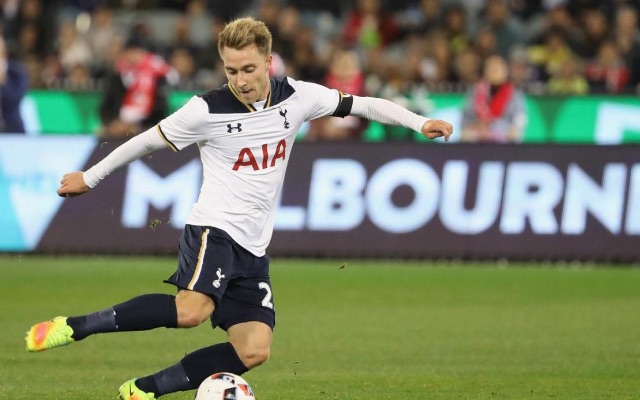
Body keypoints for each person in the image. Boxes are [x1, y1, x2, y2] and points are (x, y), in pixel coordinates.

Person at [25, 17, 453, 400]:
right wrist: (91, 177)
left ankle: (143, 389)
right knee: (192, 311)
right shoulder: (205, 110)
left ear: (268, 61)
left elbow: (364, 105)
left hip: (253, 246)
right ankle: (76, 326)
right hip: (214, 228)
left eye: (249, 69)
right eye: (232, 70)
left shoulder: (299, 98)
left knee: (253, 349)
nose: (241, 79)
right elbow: (146, 141)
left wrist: (420, 123)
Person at [98, 35, 173, 138]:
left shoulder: (157, 77)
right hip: (117, 126)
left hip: (144, 126)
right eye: (130, 52)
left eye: (137, 52)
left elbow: (160, 108)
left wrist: (138, 124)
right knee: (100, 133)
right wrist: (113, 123)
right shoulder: (117, 77)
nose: (133, 56)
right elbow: (106, 106)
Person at [460, 54, 527, 143]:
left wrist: (512, 131)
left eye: (497, 68)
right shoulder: (475, 92)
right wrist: (474, 127)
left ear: (505, 71)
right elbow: (465, 119)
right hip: (478, 139)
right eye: (490, 68)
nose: (493, 71)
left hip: (504, 140)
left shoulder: (514, 94)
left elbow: (519, 120)